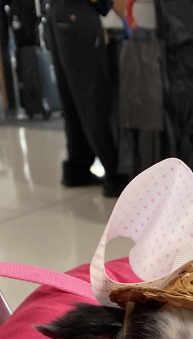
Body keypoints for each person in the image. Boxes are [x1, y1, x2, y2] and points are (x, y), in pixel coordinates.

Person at [44, 0, 129, 196]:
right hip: (78, 16)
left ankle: (77, 167)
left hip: (59, 15)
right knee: (92, 97)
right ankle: (115, 174)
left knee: (72, 98)